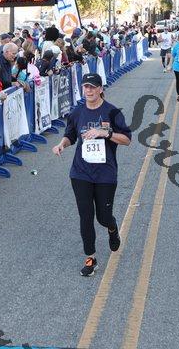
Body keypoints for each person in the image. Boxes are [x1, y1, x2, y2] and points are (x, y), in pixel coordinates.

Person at [52, 73, 131, 276]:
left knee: (103, 217)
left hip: (105, 174)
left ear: (100, 89)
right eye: (86, 86)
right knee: (86, 216)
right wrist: (62, 144)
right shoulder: (77, 112)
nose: (89, 90)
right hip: (81, 173)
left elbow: (127, 139)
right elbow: (70, 135)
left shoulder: (112, 112)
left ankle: (112, 227)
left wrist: (106, 133)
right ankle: (91, 258)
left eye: (93, 87)